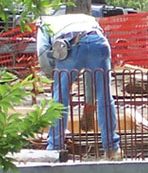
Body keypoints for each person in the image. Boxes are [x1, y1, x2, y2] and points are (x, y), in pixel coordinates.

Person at [36, 13, 121, 158]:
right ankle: (112, 149)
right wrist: (90, 100)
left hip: (71, 45)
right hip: (98, 42)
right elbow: (92, 72)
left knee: (60, 100)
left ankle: (55, 149)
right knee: (105, 97)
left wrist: (53, 76)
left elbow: (43, 52)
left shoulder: (44, 24)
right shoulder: (86, 18)